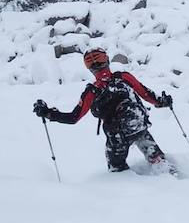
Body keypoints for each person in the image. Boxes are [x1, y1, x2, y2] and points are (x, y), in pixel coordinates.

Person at [33, 48, 173, 173]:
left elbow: (73, 118)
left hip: (116, 137)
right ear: (107, 60)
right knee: (159, 162)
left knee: (118, 173)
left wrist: (48, 113)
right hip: (137, 126)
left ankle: (129, 196)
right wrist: (162, 102)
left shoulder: (92, 91)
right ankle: (173, 182)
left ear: (89, 69)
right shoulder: (124, 77)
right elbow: (145, 94)